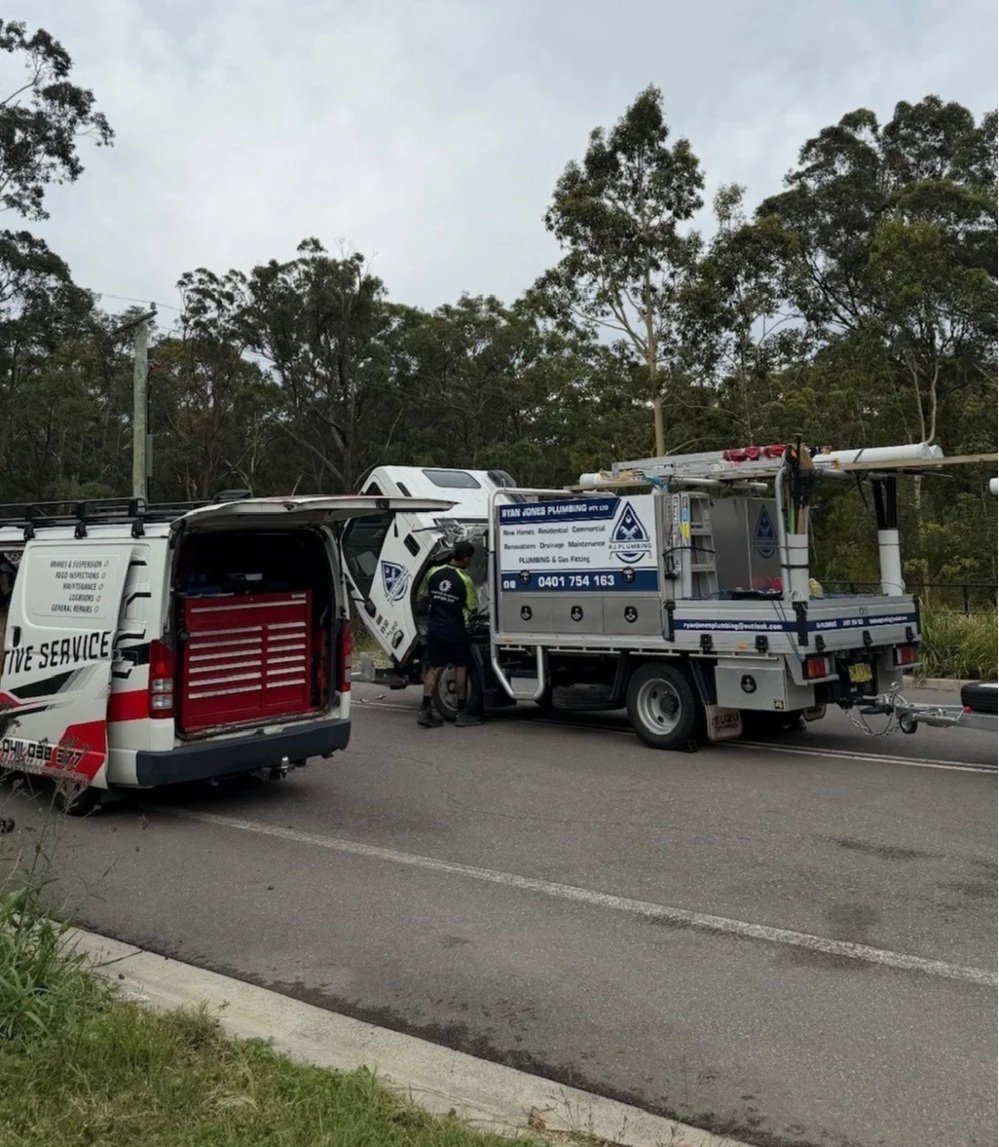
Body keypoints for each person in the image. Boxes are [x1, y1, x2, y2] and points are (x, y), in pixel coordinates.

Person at [418, 539, 483, 728]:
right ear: (466, 558)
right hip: (455, 631)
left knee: (434, 668)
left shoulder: (433, 572)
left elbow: (423, 596)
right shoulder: (465, 579)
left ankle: (425, 710)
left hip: (435, 630)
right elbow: (473, 607)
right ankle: (462, 712)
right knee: (460, 668)